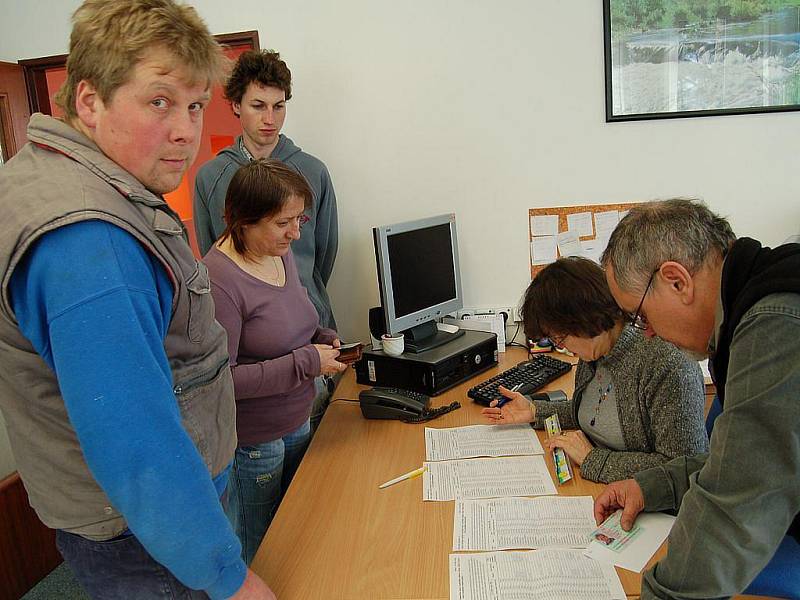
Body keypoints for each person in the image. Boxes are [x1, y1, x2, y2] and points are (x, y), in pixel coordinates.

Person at [0, 1, 275, 597]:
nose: (186, 130)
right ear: (90, 101)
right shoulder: (85, 237)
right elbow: (137, 444)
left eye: (195, 105)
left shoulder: (77, 179)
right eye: (159, 101)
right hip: (148, 538)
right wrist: (229, 578)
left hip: (158, 523)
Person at [595, 198, 800, 598]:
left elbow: (737, 505)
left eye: (639, 315)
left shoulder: (774, 325)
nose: (646, 332)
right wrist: (651, 487)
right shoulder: (761, 297)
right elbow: (744, 458)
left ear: (677, 281)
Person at [204, 158, 347, 565]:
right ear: (246, 220)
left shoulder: (277, 251)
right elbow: (223, 381)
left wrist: (321, 338)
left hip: (298, 417)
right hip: (256, 439)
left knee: (298, 526)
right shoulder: (219, 280)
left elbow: (295, 319)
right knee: (260, 543)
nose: (296, 232)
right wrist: (306, 362)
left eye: (299, 218)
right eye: (284, 222)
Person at [194, 49, 340, 433]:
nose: (269, 119)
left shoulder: (312, 171)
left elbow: (323, 254)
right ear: (236, 106)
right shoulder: (212, 178)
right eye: (258, 105)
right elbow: (214, 260)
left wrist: (298, 302)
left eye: (278, 106)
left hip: (310, 334)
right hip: (252, 363)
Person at [483, 257, 707, 483]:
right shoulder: (597, 351)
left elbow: (685, 469)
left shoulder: (667, 364)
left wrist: (592, 458)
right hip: (603, 487)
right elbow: (594, 416)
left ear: (586, 319)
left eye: (560, 338)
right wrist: (534, 411)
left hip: (654, 510)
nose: (561, 347)